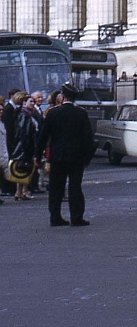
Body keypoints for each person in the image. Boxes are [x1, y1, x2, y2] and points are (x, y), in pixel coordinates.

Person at [35, 82, 95, 227]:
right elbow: (88, 138)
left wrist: (37, 155)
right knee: (75, 187)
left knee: (56, 187)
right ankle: (76, 217)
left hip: (57, 155)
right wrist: (87, 157)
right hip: (76, 156)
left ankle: (55, 217)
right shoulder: (81, 113)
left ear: (62, 96)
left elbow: (43, 136)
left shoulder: (53, 113)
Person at [12, 93, 40, 201]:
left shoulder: (29, 114)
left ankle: (20, 191)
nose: (33, 103)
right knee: (25, 167)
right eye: (31, 101)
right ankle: (23, 191)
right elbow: (25, 132)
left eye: (33, 101)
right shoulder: (24, 114)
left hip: (26, 145)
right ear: (24, 103)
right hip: (26, 146)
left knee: (23, 168)